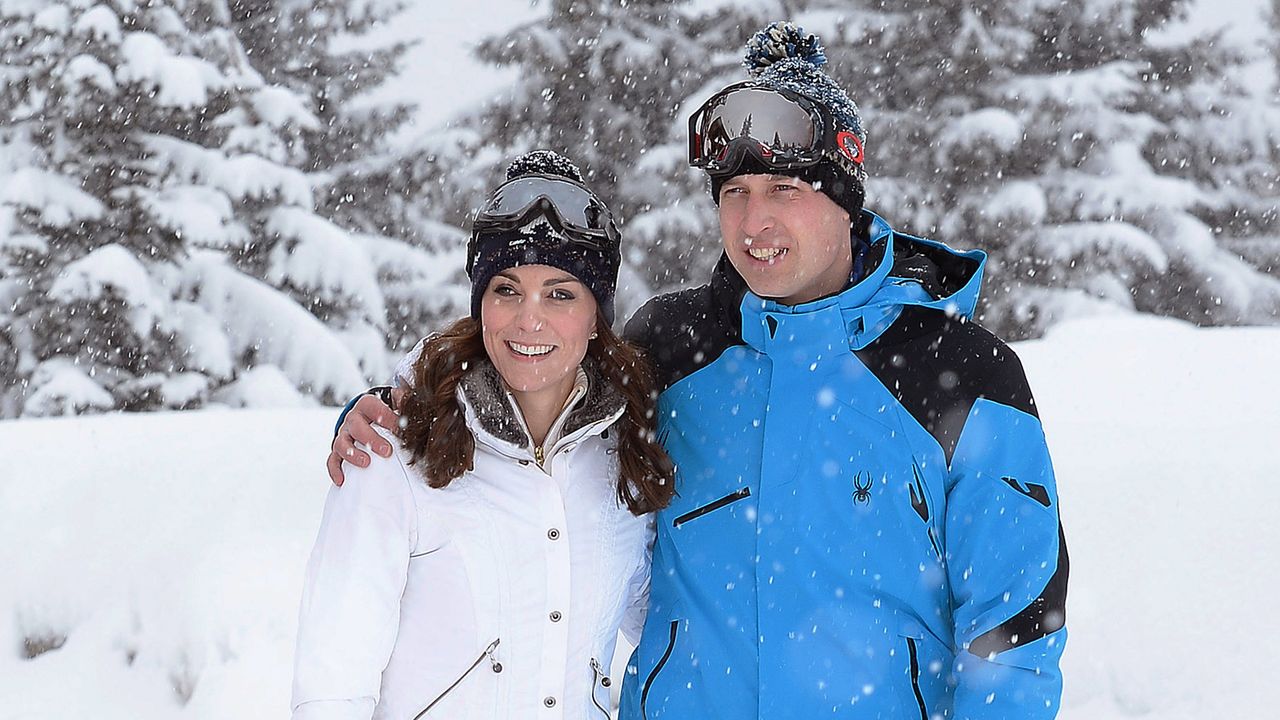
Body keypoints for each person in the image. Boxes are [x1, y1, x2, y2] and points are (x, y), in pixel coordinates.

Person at [330, 22, 1068, 720]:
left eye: (786, 190)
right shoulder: (674, 345)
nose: (755, 224)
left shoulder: (960, 371)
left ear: (846, 202)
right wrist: (392, 409)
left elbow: (1016, 629)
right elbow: (533, 390)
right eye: (735, 194)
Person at [292, 150, 674, 720]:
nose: (529, 319)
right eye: (507, 289)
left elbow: (667, 625)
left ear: (597, 317)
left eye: (561, 293)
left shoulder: (624, 456)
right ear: (480, 305)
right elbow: (331, 683)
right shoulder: (391, 451)